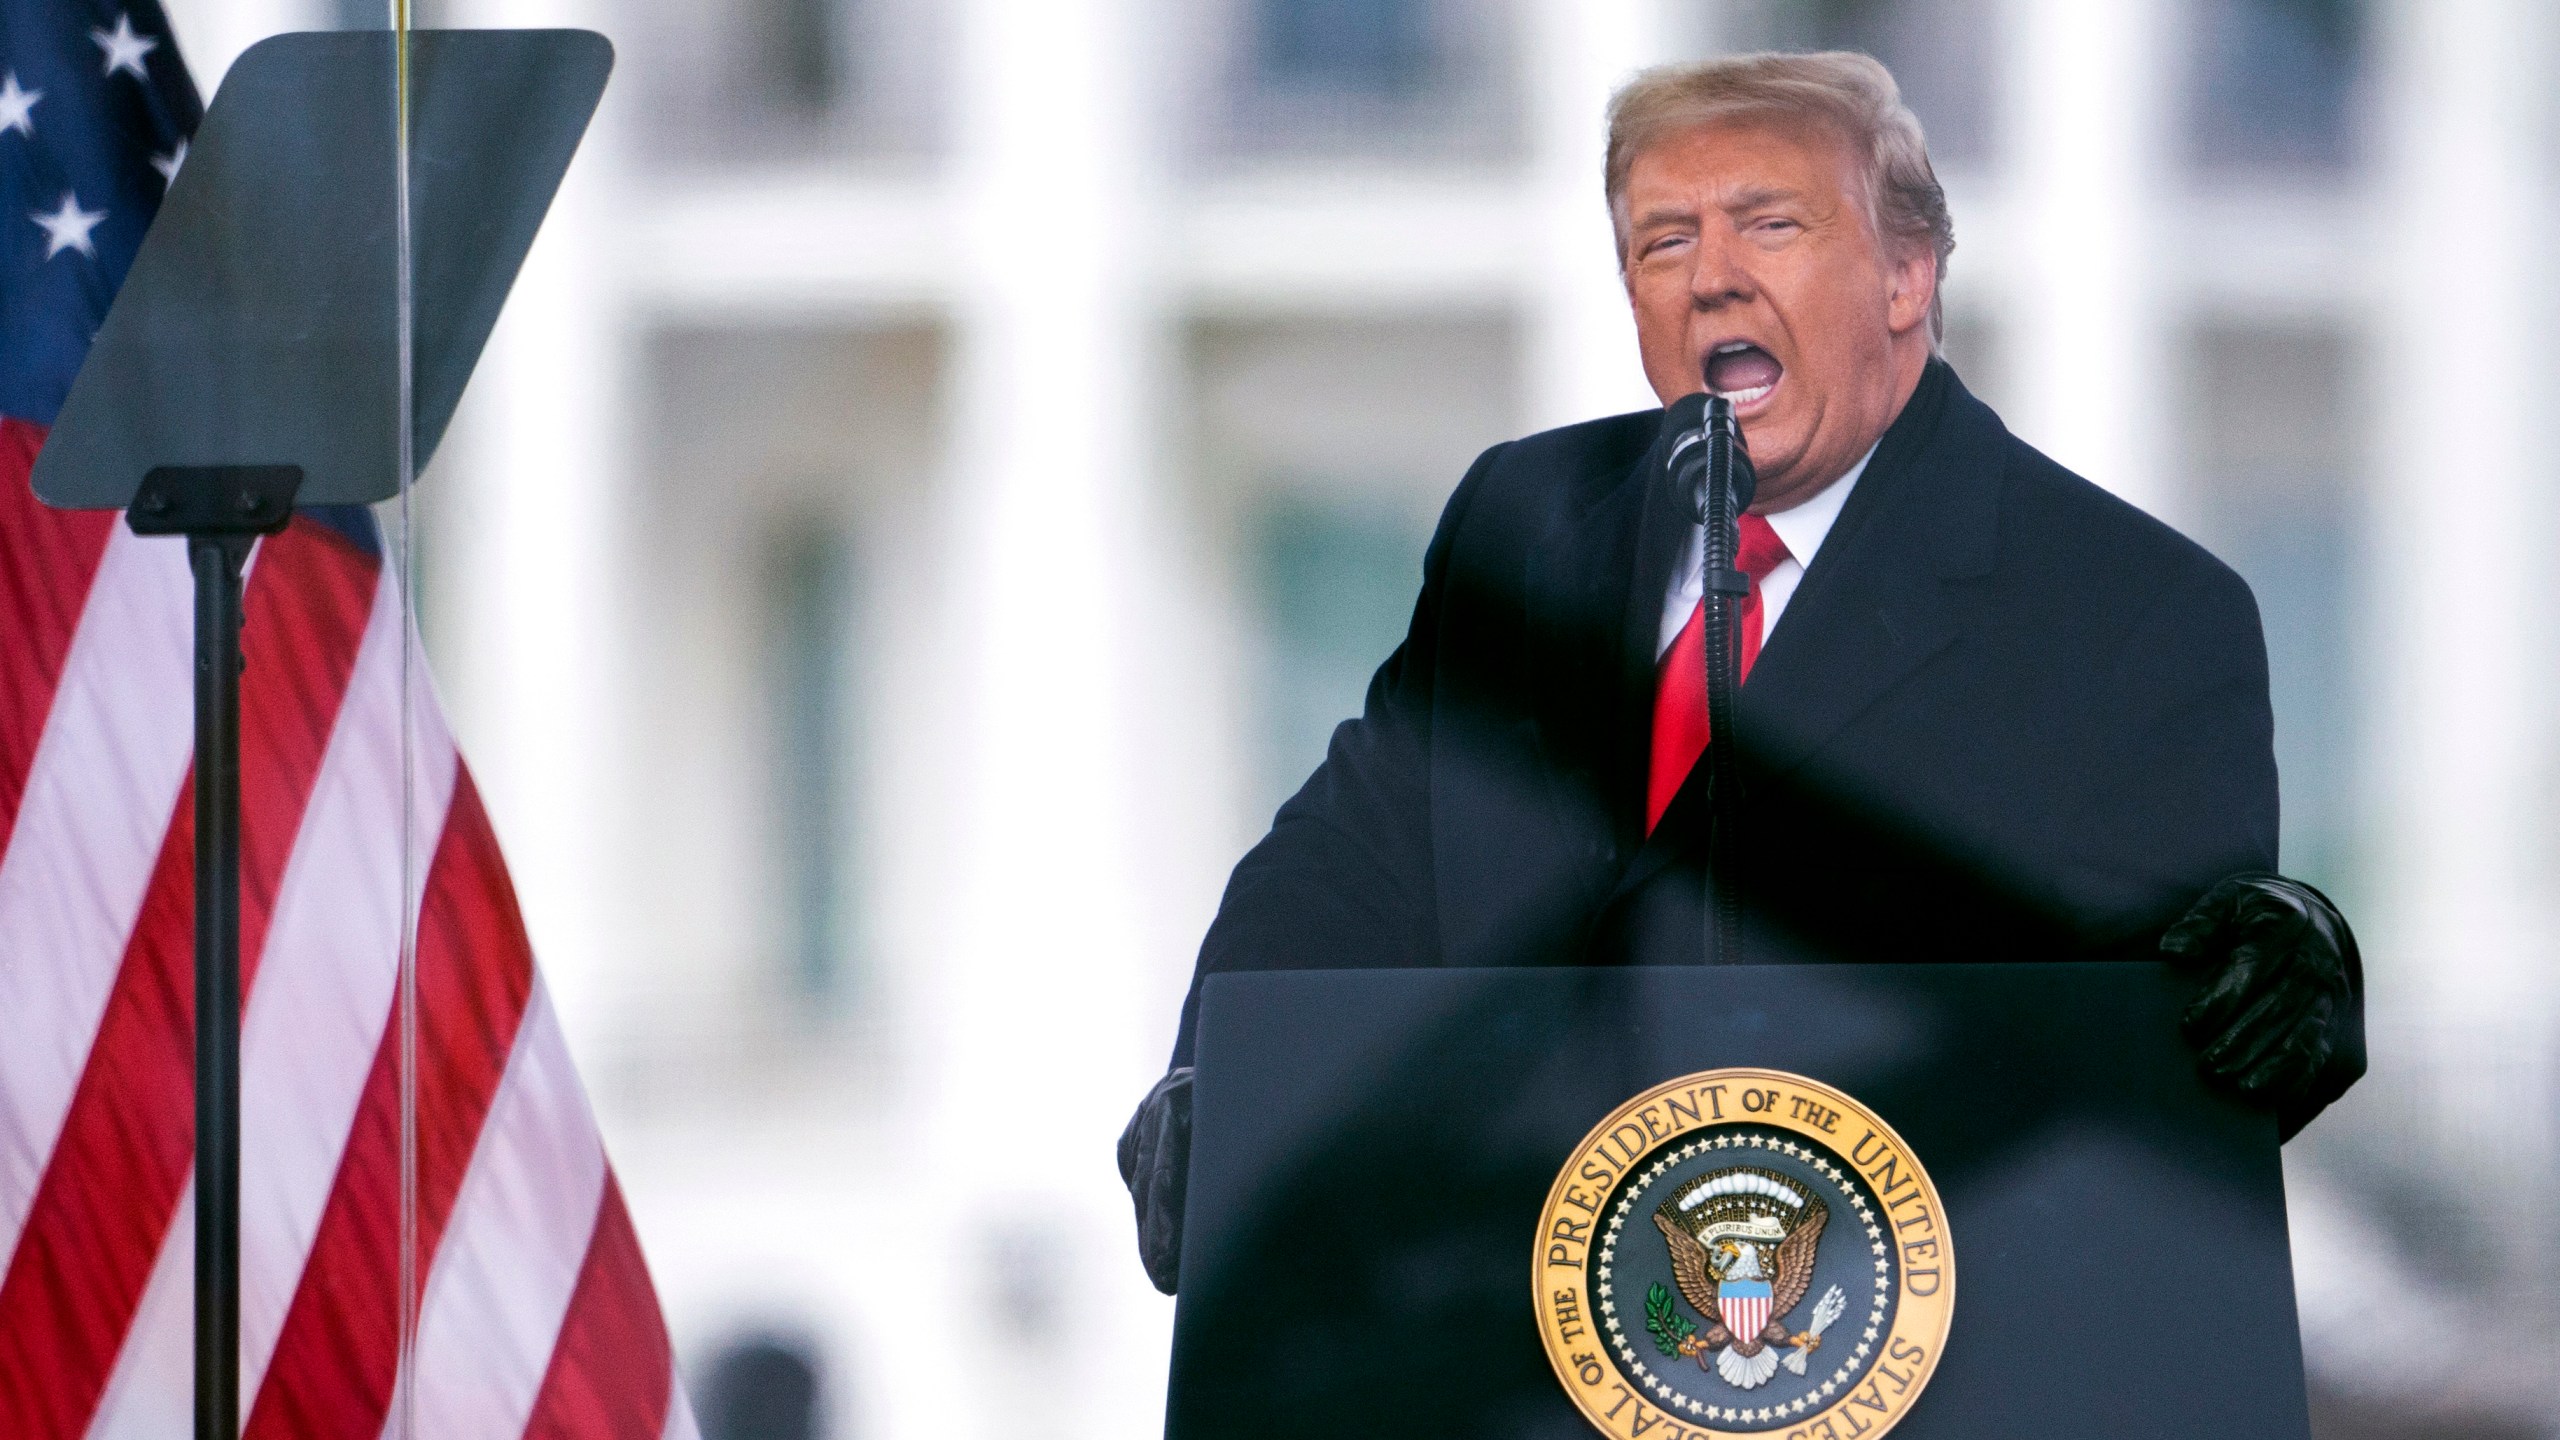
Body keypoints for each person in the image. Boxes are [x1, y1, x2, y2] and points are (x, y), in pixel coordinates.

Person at [1119, 51, 2362, 1295]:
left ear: (1904, 274)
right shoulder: (1527, 518)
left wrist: (2288, 962)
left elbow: (2181, 1025)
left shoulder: (2127, 608)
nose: (1712, 276)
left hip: (1901, 1349)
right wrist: (1218, 1085)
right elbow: (1352, 858)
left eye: (1770, 224)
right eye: (1663, 243)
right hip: (1499, 1335)